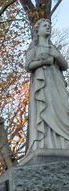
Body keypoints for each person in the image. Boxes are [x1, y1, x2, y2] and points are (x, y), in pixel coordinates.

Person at [26, 18, 69, 151]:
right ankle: (46, 143)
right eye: (45, 26)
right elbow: (28, 66)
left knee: (63, 108)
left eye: (49, 25)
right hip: (42, 85)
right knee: (45, 108)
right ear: (37, 31)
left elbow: (65, 66)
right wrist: (43, 62)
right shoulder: (34, 48)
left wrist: (56, 55)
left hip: (56, 83)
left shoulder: (53, 48)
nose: (48, 27)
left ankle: (64, 141)